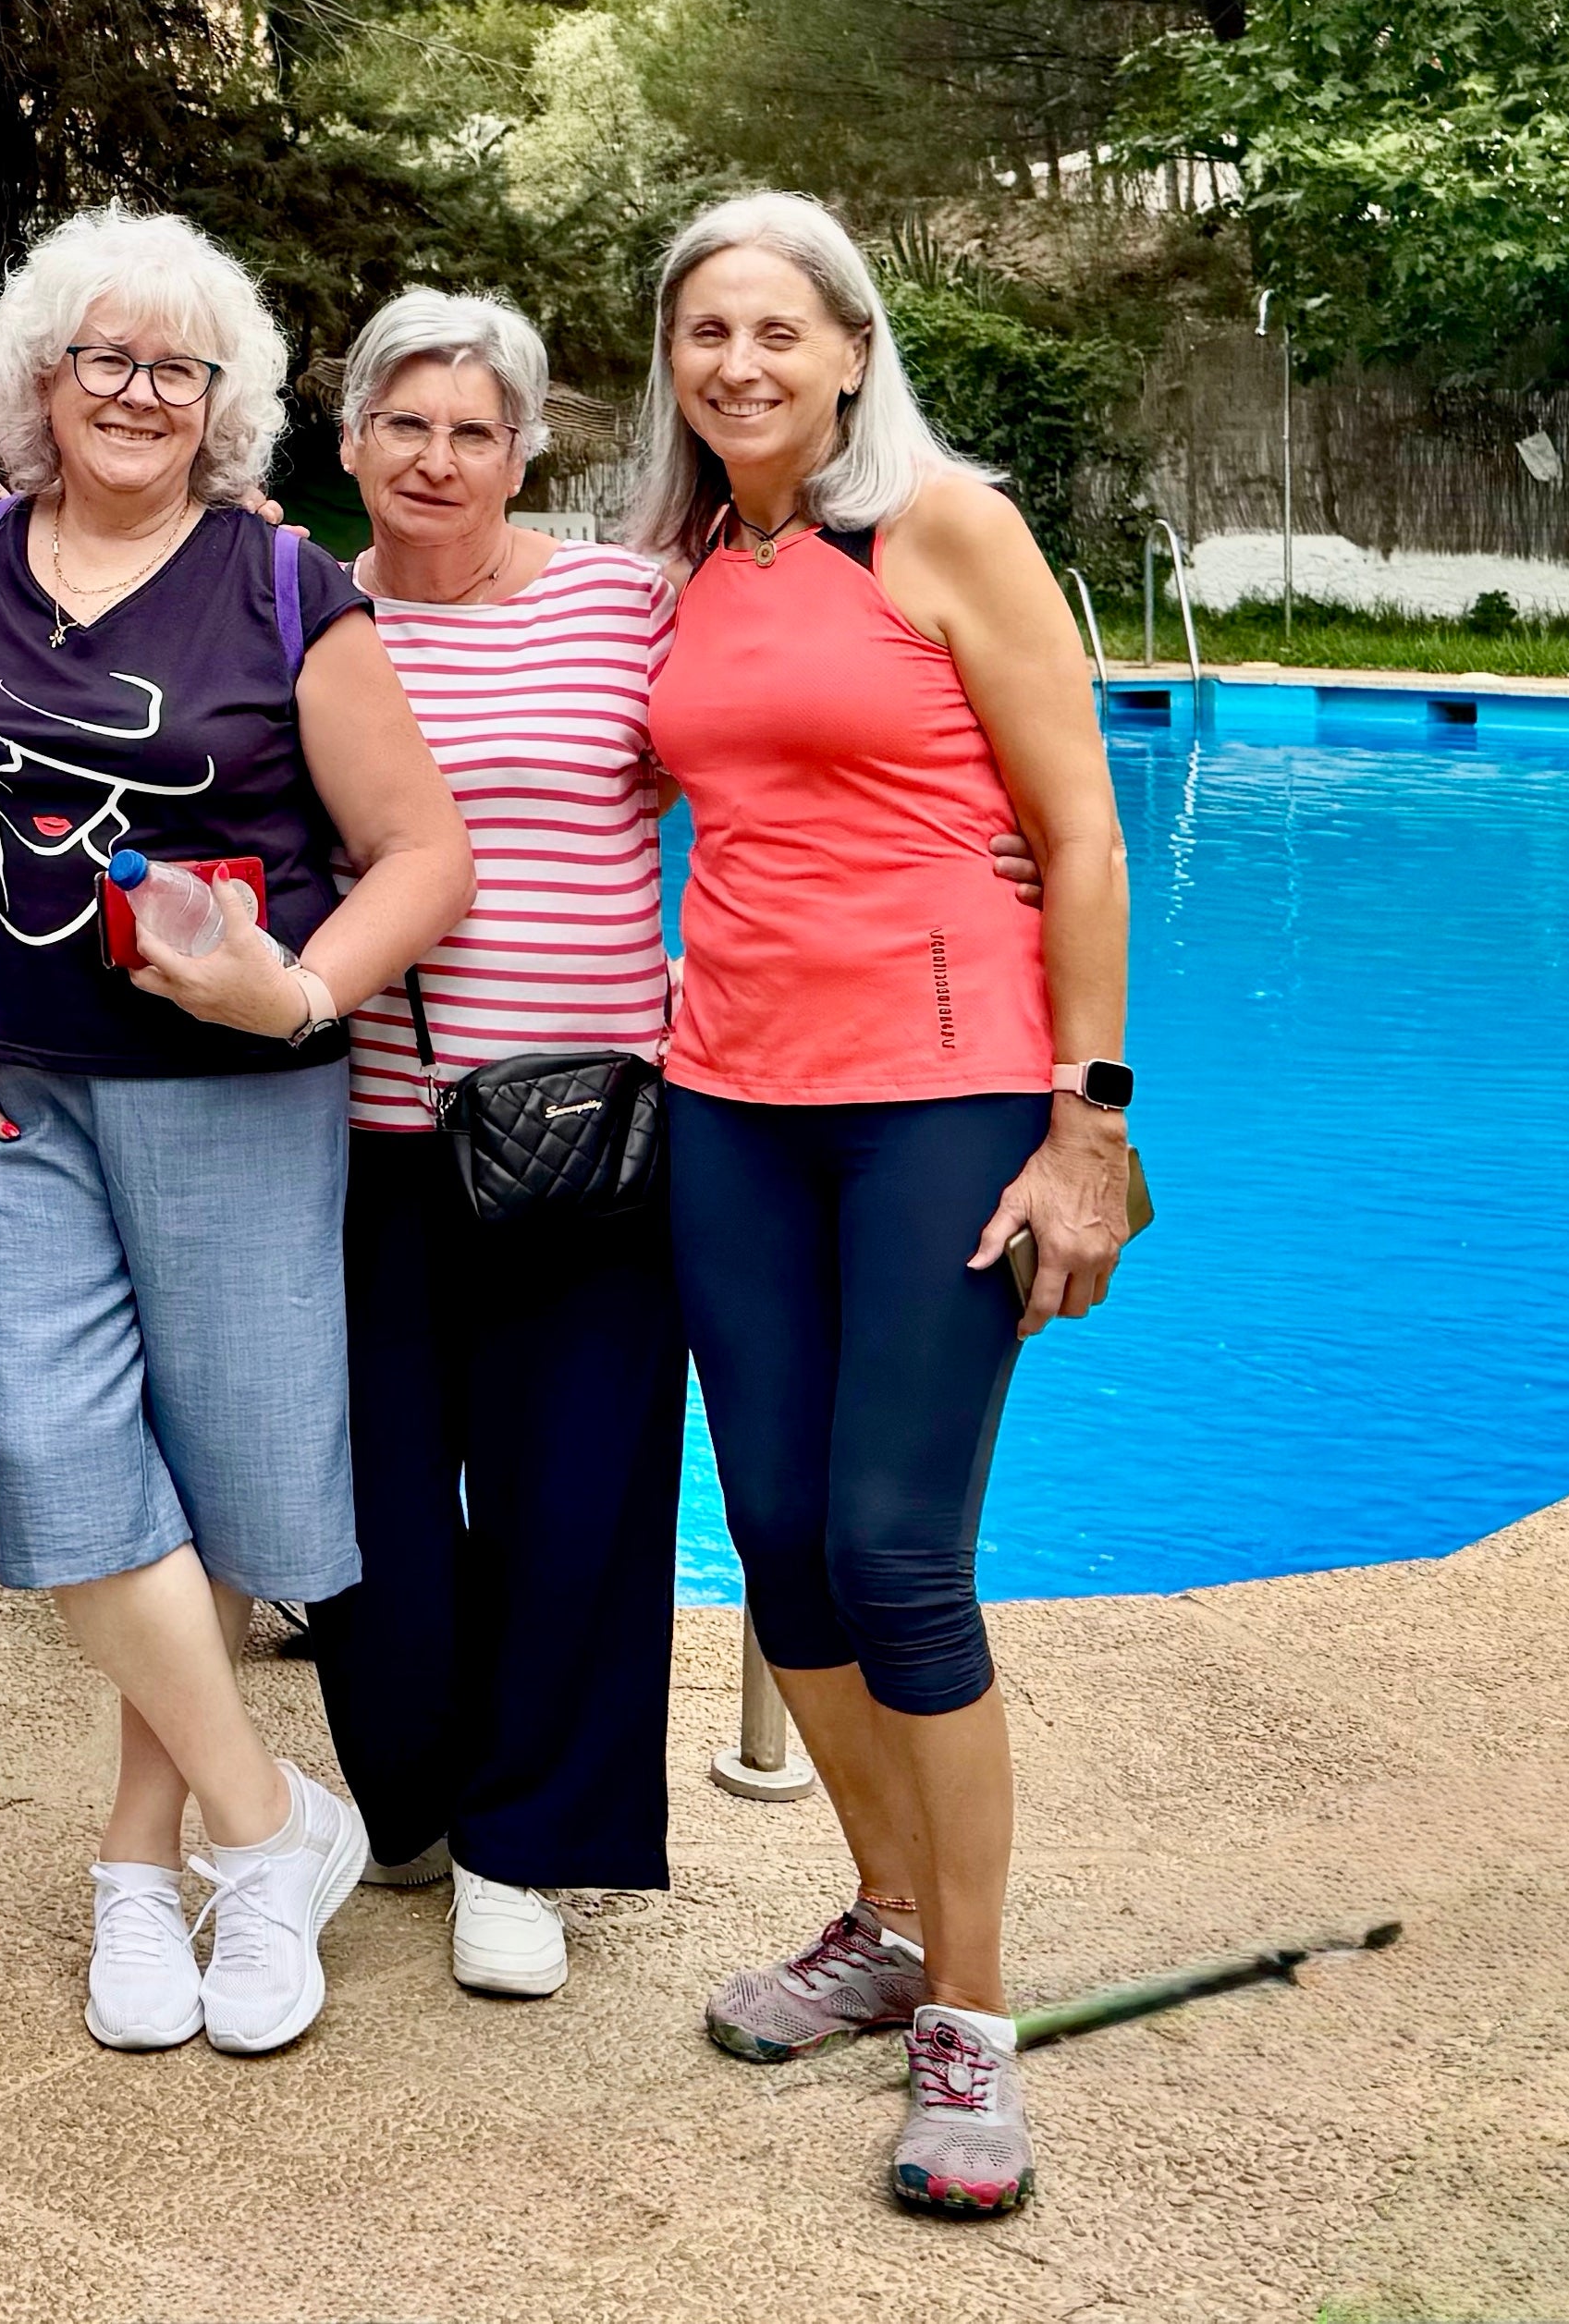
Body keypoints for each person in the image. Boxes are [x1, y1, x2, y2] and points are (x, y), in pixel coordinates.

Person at [0, 206, 472, 2061]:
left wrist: (299, 993)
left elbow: (423, 855)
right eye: (101, 357)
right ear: (38, 378)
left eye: (175, 367)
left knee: (210, 1482)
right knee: (59, 1470)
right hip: (13, 1085)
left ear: (220, 403)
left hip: (236, 1101)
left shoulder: (287, 588)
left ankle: (144, 1864)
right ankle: (267, 1820)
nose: (135, 392)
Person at [631, 191, 1134, 2220]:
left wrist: (1086, 1120)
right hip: (728, 1100)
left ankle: (975, 2031)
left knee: (895, 1548)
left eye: (775, 329)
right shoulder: (685, 563)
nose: (738, 364)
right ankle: (885, 1915)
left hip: (938, 1097)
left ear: (847, 347)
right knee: (774, 1539)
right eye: (701, 334)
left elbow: (1078, 822)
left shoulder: (941, 524)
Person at [303, 290, 687, 2008]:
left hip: (590, 1142)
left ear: (525, 451)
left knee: (574, 1495)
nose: (438, 458)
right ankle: (414, 1791)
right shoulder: (298, 609)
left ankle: (526, 1841)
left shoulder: (624, 600)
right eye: (406, 424)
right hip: (365, 1140)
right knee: (366, 1504)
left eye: (474, 430)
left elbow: (768, 760)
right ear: (350, 442)